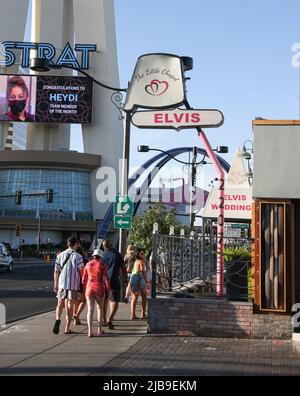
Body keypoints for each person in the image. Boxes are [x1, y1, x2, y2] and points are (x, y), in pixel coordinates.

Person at [53, 236, 84, 335]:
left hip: (62, 283)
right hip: (73, 284)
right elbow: (81, 271)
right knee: (70, 305)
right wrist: (83, 284)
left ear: (67, 244)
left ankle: (58, 319)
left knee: (60, 303)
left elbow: (56, 271)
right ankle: (67, 328)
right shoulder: (78, 256)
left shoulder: (60, 255)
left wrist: (55, 284)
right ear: (75, 244)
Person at [82, 249, 110, 337]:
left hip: (89, 287)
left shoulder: (88, 264)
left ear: (93, 256)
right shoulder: (102, 265)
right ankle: (99, 329)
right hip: (99, 287)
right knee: (99, 308)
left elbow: (83, 279)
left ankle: (90, 331)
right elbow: (106, 278)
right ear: (100, 257)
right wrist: (108, 288)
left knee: (90, 310)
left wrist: (85, 287)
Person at [102, 239, 128, 330]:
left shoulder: (101, 255)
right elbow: (123, 268)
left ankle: (104, 319)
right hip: (114, 279)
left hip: (103, 280)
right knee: (115, 300)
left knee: (104, 300)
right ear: (111, 245)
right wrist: (126, 278)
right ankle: (110, 318)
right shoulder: (117, 254)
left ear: (104, 246)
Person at [73, 247, 90, 325]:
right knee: (83, 300)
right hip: (82, 282)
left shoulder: (72, 259)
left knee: (75, 301)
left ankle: (75, 318)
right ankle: (77, 315)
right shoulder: (85, 261)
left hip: (73, 282)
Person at [130, 248, 148, 320]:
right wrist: (146, 281)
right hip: (139, 277)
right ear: (138, 254)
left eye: (143, 253)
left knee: (134, 297)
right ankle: (143, 314)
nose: (143, 254)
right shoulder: (141, 261)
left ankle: (133, 314)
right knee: (144, 296)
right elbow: (143, 272)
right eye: (141, 253)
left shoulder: (136, 261)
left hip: (134, 277)